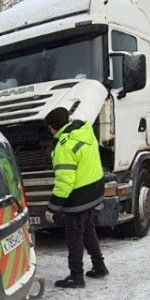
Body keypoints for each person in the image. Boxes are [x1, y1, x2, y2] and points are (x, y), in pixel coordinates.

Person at [43, 107, 107, 288]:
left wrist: (52, 207)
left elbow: (65, 183)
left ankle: (76, 276)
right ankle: (99, 265)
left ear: (53, 127)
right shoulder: (84, 131)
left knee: (74, 236)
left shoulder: (65, 146)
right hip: (94, 189)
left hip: (79, 197)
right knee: (87, 229)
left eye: (49, 127)